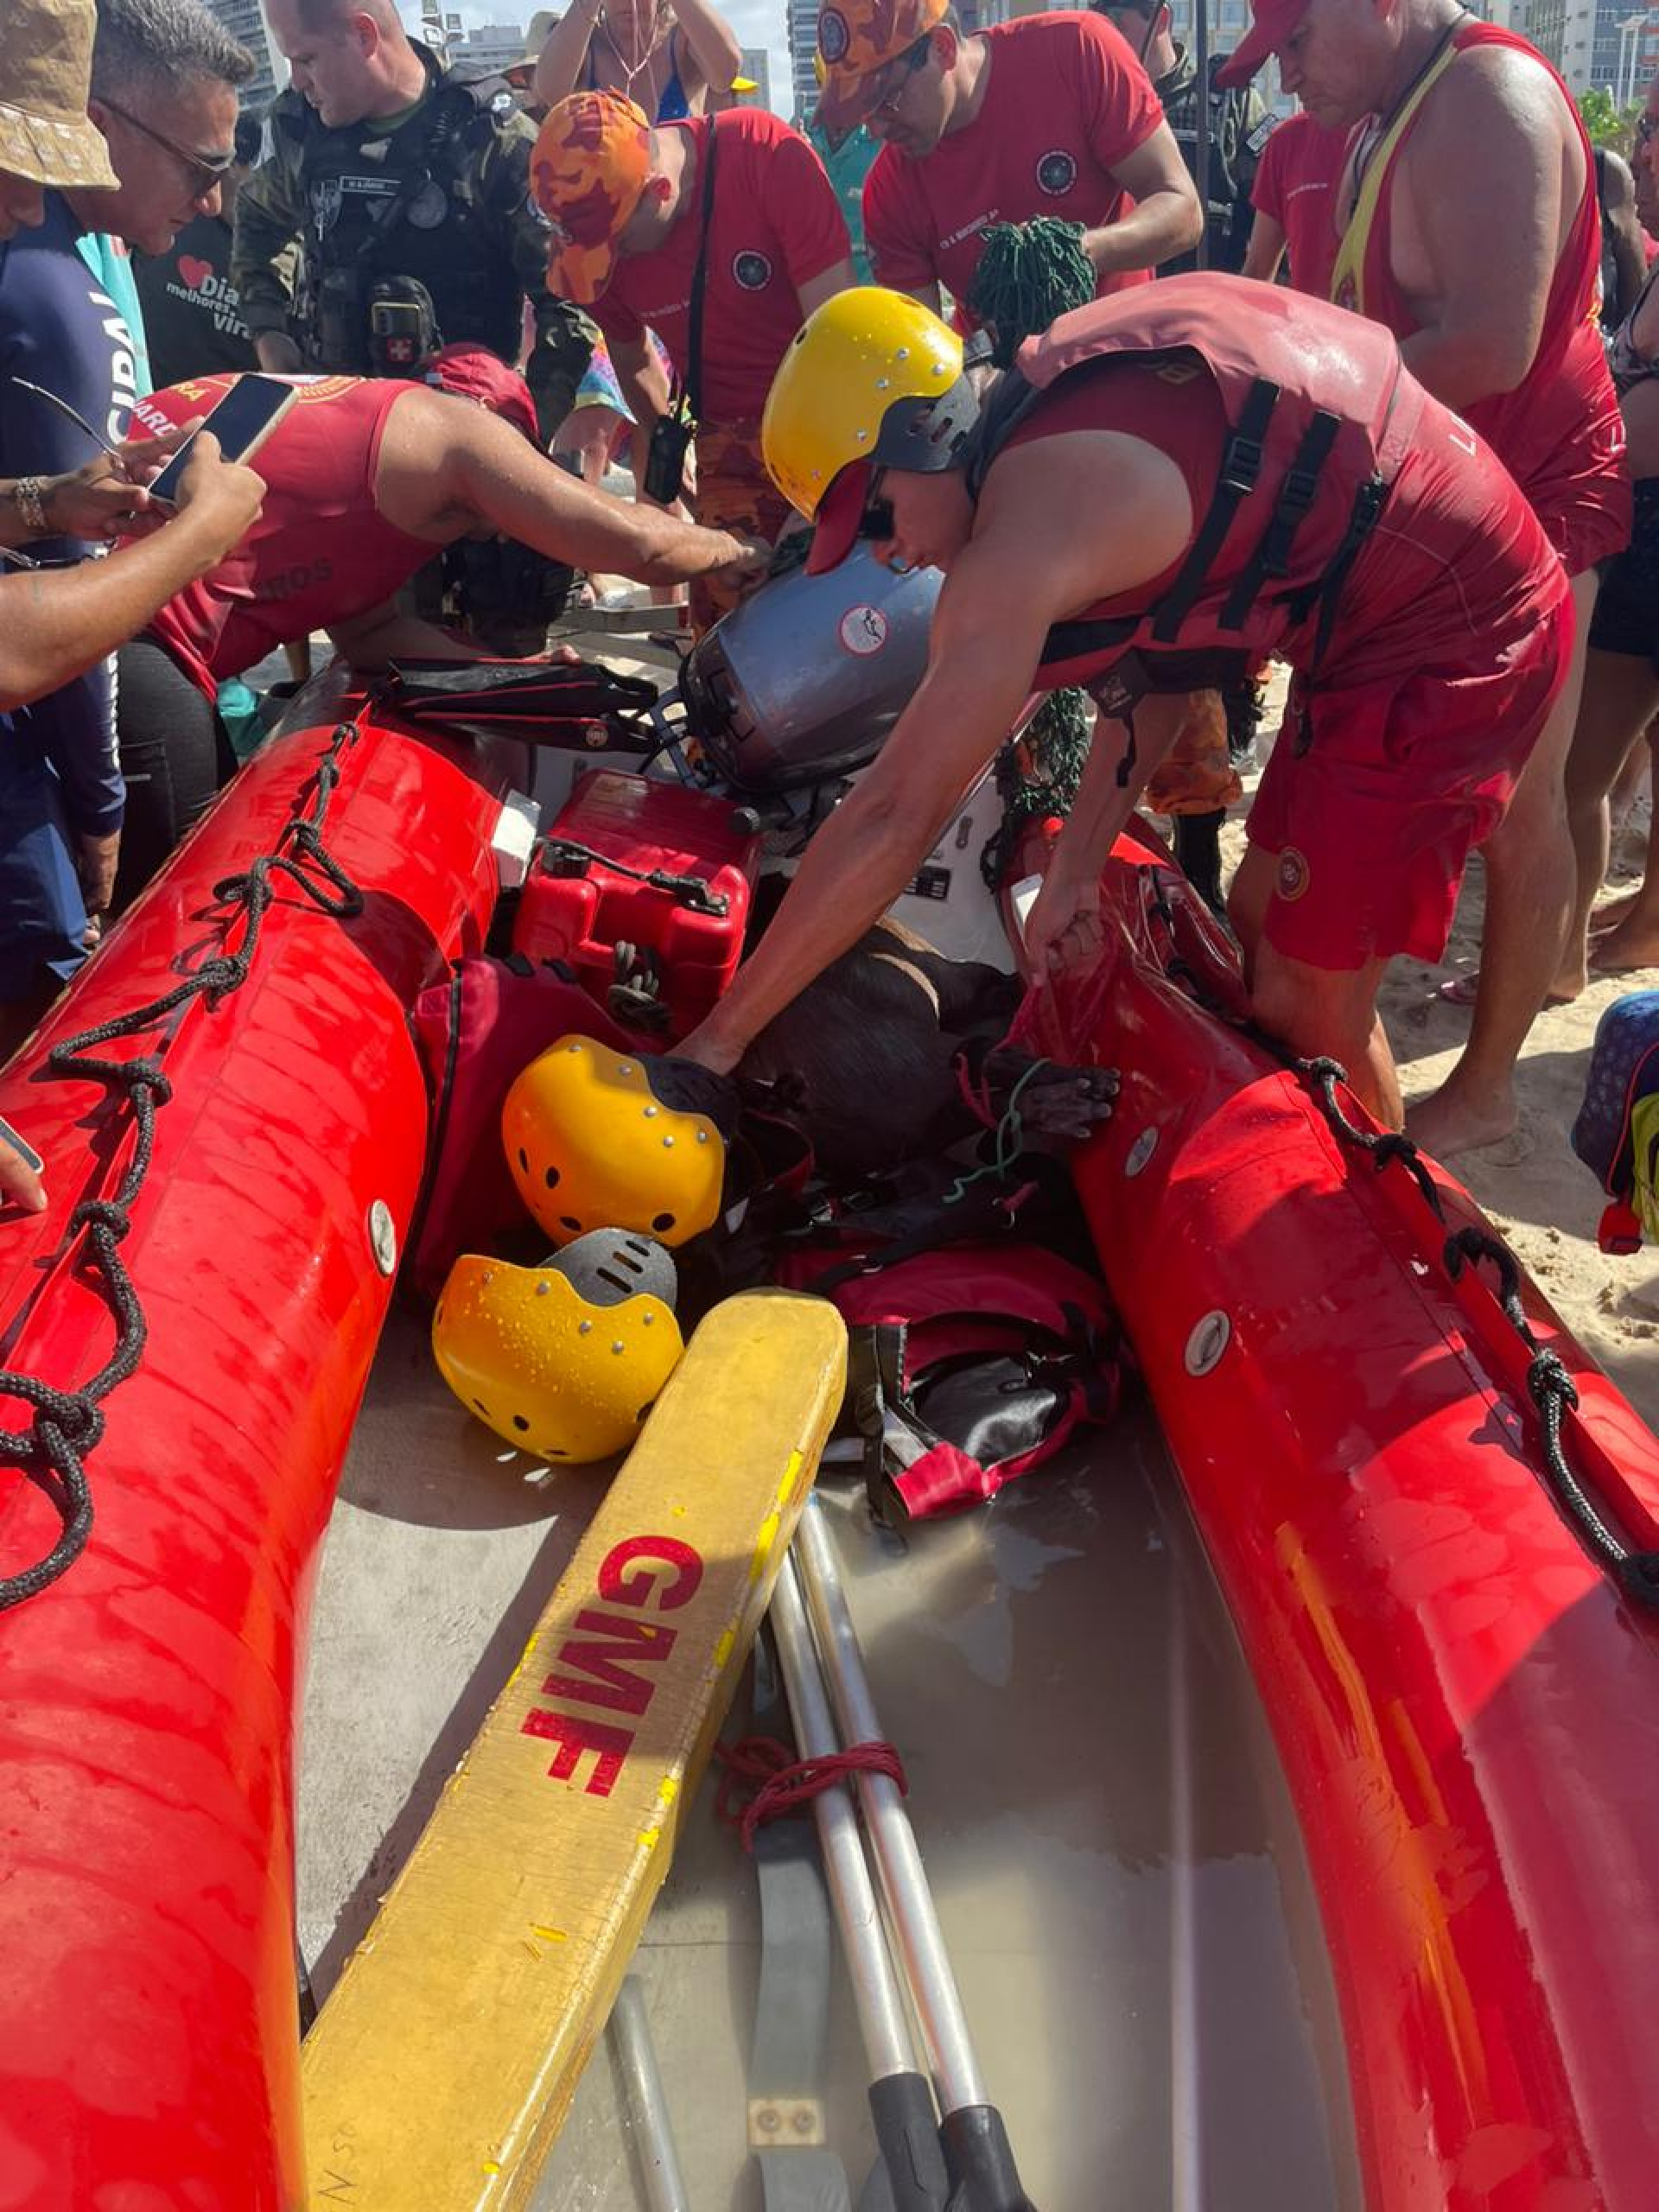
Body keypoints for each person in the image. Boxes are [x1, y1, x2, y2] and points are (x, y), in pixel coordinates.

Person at [670, 283, 1569, 1139]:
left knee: (1306, 995)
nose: (887, 555)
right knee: (1260, 923)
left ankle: (1399, 1254)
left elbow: (895, 814)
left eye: (874, 517)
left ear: (926, 433)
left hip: (1459, 617)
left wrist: (719, 1040)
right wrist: (1070, 881)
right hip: (1407, 590)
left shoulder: (1017, 545)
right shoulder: (1054, 412)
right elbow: (1165, 675)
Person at [1217, 0, 1630, 1157]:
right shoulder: (1382, 108)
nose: (1287, 76)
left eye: (1296, 44)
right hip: (1434, 493)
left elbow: (1495, 345)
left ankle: (1490, 1090)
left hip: (1536, 490)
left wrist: (1289, 405)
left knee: (1522, 802)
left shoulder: (1485, 100)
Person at [111, 346, 761, 898]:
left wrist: (518, 677)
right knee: (166, 902)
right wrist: (732, 551)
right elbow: (635, 545)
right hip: (134, 640)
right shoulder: (456, 435)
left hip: (89, 595)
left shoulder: (362, 447)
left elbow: (371, 638)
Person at [0, 0, 267, 1205]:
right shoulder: (53, 294)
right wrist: (200, 536)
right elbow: (26, 638)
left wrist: (46, 502)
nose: (24, 209)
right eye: (205, 166)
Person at [531, 90, 855, 628]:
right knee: (733, 634)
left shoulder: (763, 156)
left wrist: (821, 498)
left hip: (825, 418)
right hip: (723, 439)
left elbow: (837, 335)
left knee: (831, 619)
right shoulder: (597, 241)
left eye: (620, 246)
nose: (614, 264)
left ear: (659, 191)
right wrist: (671, 455)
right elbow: (633, 362)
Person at [232, 0, 592, 445]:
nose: (298, 80)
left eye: (307, 59)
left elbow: (571, 307)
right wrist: (269, 332)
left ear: (364, 36)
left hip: (458, 448)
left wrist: (524, 434)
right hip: (336, 429)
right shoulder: (298, 128)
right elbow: (258, 216)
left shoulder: (493, 139)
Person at [813, 0, 1203, 319]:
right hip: (1007, 387)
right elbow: (923, 347)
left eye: (886, 103)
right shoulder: (888, 193)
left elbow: (1182, 210)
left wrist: (1078, 252)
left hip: (1122, 354)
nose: (878, 131)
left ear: (943, 48)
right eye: (863, 114)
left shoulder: (1076, 51)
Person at [1095, 0, 1270, 276]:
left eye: (1116, 25)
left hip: (1207, 308)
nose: (1105, 40)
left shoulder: (1228, 100)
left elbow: (1277, 218)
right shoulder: (1095, 109)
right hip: (1121, 311)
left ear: (1161, 20)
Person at [134, 104, 262, 384]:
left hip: (231, 414)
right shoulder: (175, 217)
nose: (211, 193)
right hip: (158, 407)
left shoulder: (285, 257)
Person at [531, 0, 743, 121]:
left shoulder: (682, 40)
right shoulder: (585, 45)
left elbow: (725, 73)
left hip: (684, 197)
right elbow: (551, 91)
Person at [1241, 108, 1350, 294]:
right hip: (1310, 319)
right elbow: (1258, 270)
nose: (1288, 86)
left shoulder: (1403, 132)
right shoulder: (1288, 139)